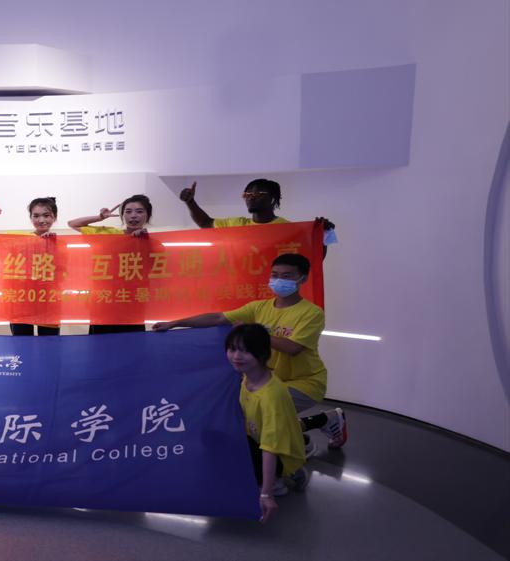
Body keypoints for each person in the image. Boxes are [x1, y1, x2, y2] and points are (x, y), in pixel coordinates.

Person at [152, 253, 348, 451]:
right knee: (243, 416)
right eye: (275, 275)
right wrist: (175, 323)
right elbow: (218, 318)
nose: (279, 280)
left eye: (287, 276)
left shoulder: (312, 313)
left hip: (304, 382)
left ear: (302, 279)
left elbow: (293, 348)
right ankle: (325, 420)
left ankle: (301, 445)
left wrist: (253, 332)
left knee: (261, 418)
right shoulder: (258, 307)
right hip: (263, 379)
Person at [225, 323, 308, 522]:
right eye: (232, 349)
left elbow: (270, 448)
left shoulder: (272, 395)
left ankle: (279, 478)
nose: (236, 356)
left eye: (245, 351)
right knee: (213, 439)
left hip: (277, 452)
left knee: (240, 460)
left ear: (262, 354)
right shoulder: (247, 377)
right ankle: (277, 474)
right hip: (257, 439)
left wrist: (266, 494)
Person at [179, 178, 336, 257]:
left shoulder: (287, 230)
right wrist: (190, 202)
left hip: (270, 298)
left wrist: (322, 235)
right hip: (240, 291)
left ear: (273, 199)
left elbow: (311, 260)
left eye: (257, 194)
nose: (251, 197)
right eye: (247, 194)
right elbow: (206, 223)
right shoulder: (237, 224)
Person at [67, 194, 154, 334]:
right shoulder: (109, 234)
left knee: (132, 343)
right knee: (100, 344)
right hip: (104, 301)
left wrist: (145, 242)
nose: (133, 216)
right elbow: (72, 223)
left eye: (139, 211)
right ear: (122, 215)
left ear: (147, 215)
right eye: (128, 211)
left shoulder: (153, 243)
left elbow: (154, 272)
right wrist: (99, 218)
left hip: (133, 304)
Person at [0, 197, 60, 336]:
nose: (41, 220)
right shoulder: (18, 239)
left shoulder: (61, 242)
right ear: (30, 218)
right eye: (36, 216)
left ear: (54, 217)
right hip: (20, 302)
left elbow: (65, 273)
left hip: (48, 302)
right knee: (22, 344)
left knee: (49, 344)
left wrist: (53, 245)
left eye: (46, 215)